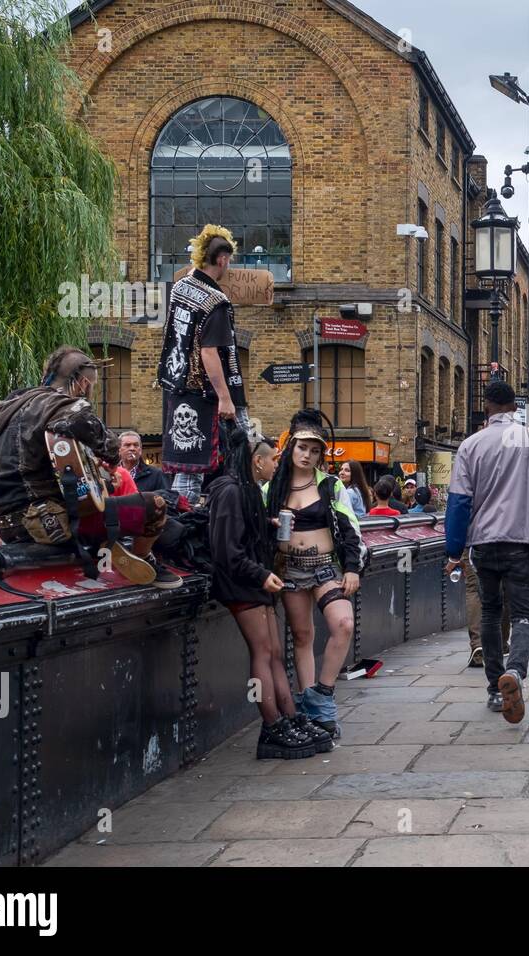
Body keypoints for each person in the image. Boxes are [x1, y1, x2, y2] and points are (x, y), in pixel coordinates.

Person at [0, 347, 176, 586]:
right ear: (82, 382)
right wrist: (111, 461)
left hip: (7, 524)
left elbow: (38, 474)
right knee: (156, 506)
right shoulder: (64, 406)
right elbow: (109, 446)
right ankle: (143, 555)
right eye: (92, 385)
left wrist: (102, 484)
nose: (90, 391)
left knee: (103, 494)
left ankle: (101, 539)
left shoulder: (12, 404)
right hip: (45, 521)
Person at [207, 427, 329, 759]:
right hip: (241, 584)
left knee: (274, 652)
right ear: (256, 461)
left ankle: (289, 717)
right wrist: (261, 575)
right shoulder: (230, 491)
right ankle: (272, 725)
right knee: (263, 653)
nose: (276, 465)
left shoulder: (245, 490)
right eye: (272, 460)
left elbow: (242, 536)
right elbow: (227, 551)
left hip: (255, 582)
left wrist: (267, 525)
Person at [444, 380, 529, 723]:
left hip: (483, 545)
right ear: (514, 406)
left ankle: (495, 688)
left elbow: (459, 503)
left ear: (488, 407)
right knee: (522, 613)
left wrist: (454, 550)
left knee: (492, 613)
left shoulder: (470, 446)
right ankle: (516, 672)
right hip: (521, 543)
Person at [266, 410, 363, 740]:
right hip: (288, 570)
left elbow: (351, 528)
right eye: (302, 448)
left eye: (315, 450)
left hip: (325, 567)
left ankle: (322, 696)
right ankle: (310, 710)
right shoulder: (272, 489)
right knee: (303, 636)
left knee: (343, 624)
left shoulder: (331, 486)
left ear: (322, 453)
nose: (307, 455)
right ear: (291, 447)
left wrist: (351, 568)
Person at [158, 225, 250, 503]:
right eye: (229, 260)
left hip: (177, 386)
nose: (229, 266)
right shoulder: (215, 301)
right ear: (222, 259)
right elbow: (209, 352)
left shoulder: (181, 287)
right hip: (206, 394)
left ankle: (176, 519)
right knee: (241, 453)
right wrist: (225, 398)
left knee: (184, 468)